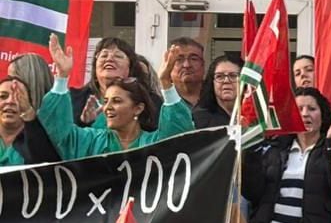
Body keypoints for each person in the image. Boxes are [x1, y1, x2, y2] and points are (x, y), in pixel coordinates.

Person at [244, 86, 331, 223]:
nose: (305, 114)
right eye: (299, 109)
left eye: (312, 109)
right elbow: (254, 192)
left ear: (323, 115)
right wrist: (249, 152)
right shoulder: (276, 149)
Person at [39, 35, 194, 158]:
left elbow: (180, 137)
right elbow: (58, 134)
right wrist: (61, 77)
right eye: (105, 101)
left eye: (117, 101)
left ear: (138, 108)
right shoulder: (90, 141)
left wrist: (166, 82)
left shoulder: (152, 143)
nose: (107, 108)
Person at [0, 76, 58, 167]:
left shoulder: (38, 137)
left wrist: (28, 113)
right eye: (3, 96)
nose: (10, 101)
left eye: (18, 96)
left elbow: (48, 168)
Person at [193, 54, 242, 129]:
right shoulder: (198, 119)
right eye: (219, 76)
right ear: (212, 82)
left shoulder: (256, 117)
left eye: (233, 76)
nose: (226, 81)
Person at [165, 38, 208, 110]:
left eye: (193, 59)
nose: (186, 65)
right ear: (169, 65)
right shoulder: (160, 99)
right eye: (179, 60)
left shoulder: (216, 95)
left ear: (203, 65)